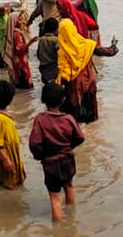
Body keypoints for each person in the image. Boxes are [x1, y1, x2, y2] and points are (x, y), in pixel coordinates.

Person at [29, 82, 85, 222]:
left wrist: (41, 156)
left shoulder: (40, 120)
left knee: (55, 197)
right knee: (69, 186)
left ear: (43, 100)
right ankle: (71, 218)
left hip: (50, 163)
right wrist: (69, 147)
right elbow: (80, 137)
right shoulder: (68, 119)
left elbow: (34, 143)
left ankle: (58, 231)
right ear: (63, 100)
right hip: (67, 160)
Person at [57, 18, 99, 123]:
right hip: (89, 83)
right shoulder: (87, 45)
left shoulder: (62, 52)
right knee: (90, 115)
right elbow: (106, 51)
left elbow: (64, 75)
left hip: (74, 88)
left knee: (75, 118)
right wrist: (114, 48)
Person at [0, 80, 27, 190]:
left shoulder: (0, 115)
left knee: (13, 178)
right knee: (10, 182)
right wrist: (6, 159)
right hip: (7, 153)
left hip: (10, 151)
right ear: (9, 100)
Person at [3, 10, 37, 89]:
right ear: (14, 21)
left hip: (18, 61)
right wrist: (30, 42)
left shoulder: (16, 32)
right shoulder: (16, 34)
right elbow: (19, 48)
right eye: (20, 20)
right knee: (25, 83)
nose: (22, 21)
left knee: (20, 83)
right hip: (21, 62)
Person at [36, 18, 60, 84]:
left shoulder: (41, 40)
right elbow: (59, 54)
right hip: (53, 68)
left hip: (43, 68)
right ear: (56, 29)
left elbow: (38, 54)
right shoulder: (56, 40)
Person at [0, 5, 10, 69]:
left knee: (4, 63)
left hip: (4, 43)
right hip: (0, 43)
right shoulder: (1, 18)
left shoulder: (6, 19)